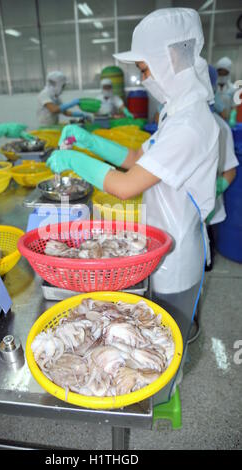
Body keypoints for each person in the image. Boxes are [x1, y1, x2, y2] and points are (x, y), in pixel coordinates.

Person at [47, 8, 220, 404]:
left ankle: (159, 395)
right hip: (161, 238)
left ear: (169, 60)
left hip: (177, 253)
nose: (143, 78)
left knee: (166, 335)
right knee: (151, 326)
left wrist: (76, 162)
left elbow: (126, 186)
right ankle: (150, 385)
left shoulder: (192, 123)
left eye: (145, 67)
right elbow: (137, 157)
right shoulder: (177, 112)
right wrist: (93, 143)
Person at [206, 65, 238, 270]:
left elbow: (230, 170)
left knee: (204, 253)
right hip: (179, 210)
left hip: (207, 204)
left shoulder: (220, 127)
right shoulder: (173, 123)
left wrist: (213, 189)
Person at [215, 56, 236, 122]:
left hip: (226, 120)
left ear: (229, 72)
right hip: (213, 120)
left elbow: (234, 107)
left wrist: (232, 118)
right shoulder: (213, 88)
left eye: (224, 72)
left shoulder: (232, 89)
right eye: (220, 72)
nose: (222, 74)